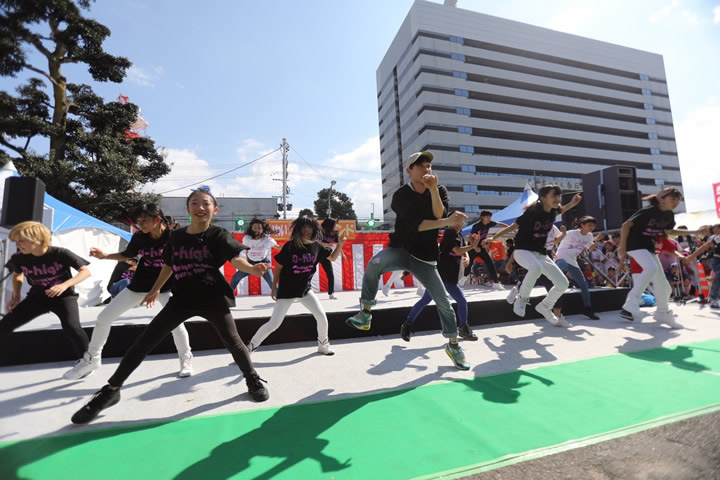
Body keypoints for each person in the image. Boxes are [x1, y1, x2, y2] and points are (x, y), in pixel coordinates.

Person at [71, 186, 270, 424]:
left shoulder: (219, 235)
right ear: (188, 208)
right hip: (182, 299)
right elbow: (168, 265)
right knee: (144, 341)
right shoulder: (177, 237)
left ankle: (252, 379)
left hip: (212, 298)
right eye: (195, 203)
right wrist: (155, 289)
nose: (200, 207)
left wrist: (252, 269)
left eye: (206, 203)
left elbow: (237, 260)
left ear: (214, 210)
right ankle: (111, 391)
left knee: (234, 342)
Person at [345, 151, 471, 370]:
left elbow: (438, 214)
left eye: (429, 166)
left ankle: (453, 345)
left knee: (444, 303)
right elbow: (420, 225)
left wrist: (433, 191)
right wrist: (446, 221)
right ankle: (365, 313)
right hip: (401, 249)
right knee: (374, 264)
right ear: (409, 171)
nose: (426, 170)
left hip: (426, 258)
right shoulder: (401, 195)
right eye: (421, 166)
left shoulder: (439, 189)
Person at [63, 203, 193, 381]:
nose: (140, 224)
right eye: (138, 220)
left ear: (157, 219)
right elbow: (127, 254)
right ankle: (92, 360)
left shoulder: (174, 237)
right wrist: (105, 255)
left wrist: (156, 290)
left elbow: (172, 266)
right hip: (139, 286)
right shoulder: (140, 237)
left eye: (145, 220)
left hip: (167, 287)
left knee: (176, 325)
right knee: (103, 318)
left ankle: (186, 360)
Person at [1, 221, 92, 372]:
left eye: (21, 241)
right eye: (16, 241)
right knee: (6, 323)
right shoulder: (19, 258)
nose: (18, 244)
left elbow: (85, 272)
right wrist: (16, 297)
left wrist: (64, 285)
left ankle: (87, 361)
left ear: (38, 239)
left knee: (72, 326)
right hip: (37, 297)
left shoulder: (60, 253)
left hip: (64, 297)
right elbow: (17, 275)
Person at [248, 216, 346, 354]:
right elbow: (279, 268)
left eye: (309, 227)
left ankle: (323, 345)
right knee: (274, 324)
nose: (306, 230)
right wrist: (274, 288)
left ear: (314, 229)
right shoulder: (290, 246)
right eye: (303, 227)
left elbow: (332, 257)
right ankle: (248, 349)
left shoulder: (317, 246)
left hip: (305, 291)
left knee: (322, 318)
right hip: (287, 292)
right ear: (298, 229)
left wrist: (340, 244)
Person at [490, 185, 581, 326]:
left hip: (541, 254)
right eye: (554, 196)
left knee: (563, 283)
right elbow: (513, 226)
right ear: (543, 199)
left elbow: (561, 209)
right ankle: (522, 298)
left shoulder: (552, 212)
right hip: (522, 251)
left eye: (559, 196)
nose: (558, 199)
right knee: (536, 268)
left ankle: (544, 306)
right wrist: (493, 237)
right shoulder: (531, 213)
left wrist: (572, 203)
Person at [617, 187, 709, 327]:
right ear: (661, 198)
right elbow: (626, 225)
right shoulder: (648, 212)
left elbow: (669, 231)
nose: (676, 202)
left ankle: (662, 313)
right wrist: (622, 247)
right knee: (651, 268)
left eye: (678, 200)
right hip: (633, 244)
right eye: (673, 199)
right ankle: (631, 303)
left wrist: (695, 231)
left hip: (648, 246)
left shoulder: (669, 215)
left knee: (665, 288)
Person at [401, 219, 481, 342]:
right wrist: (474, 245)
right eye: (457, 221)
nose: (460, 224)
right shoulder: (450, 233)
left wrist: (467, 257)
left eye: (462, 222)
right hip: (444, 276)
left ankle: (407, 324)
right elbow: (458, 250)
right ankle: (463, 328)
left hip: (445, 276)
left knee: (425, 300)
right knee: (461, 300)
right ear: (450, 222)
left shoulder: (458, 235)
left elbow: (462, 251)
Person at [554, 216, 602, 320]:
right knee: (562, 269)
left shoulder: (589, 236)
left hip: (572, 261)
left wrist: (596, 241)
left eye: (593, 225)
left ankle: (588, 309)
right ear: (582, 225)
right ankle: (554, 278)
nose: (592, 227)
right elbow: (556, 240)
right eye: (590, 225)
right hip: (561, 258)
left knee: (584, 285)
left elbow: (590, 249)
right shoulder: (571, 233)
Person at [229, 218, 279, 293]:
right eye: (255, 227)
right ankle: (228, 294)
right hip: (250, 263)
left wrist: (291, 246)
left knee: (272, 283)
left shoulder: (267, 240)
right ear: (251, 228)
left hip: (263, 263)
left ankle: (281, 297)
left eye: (259, 228)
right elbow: (246, 250)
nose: (257, 230)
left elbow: (278, 247)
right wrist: (247, 262)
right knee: (236, 277)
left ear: (263, 230)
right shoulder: (246, 238)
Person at [468, 210, 508, 290]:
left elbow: (499, 224)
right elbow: (470, 237)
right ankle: (464, 277)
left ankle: (496, 283)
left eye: (490, 217)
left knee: (490, 264)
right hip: (473, 247)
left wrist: (509, 227)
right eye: (487, 217)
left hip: (482, 247)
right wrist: (475, 247)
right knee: (469, 263)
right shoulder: (477, 226)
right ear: (482, 217)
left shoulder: (490, 223)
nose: (489, 218)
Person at [683, 224, 720, 308]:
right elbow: (705, 246)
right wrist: (691, 256)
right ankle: (713, 298)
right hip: (714, 259)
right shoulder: (718, 238)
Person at [319, 217, 341, 300]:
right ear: (330, 225)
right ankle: (301, 293)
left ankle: (331, 293)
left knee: (330, 274)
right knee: (308, 273)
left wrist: (343, 254)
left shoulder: (335, 234)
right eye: (335, 224)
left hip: (326, 255)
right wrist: (325, 244)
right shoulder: (320, 232)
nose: (336, 226)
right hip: (317, 253)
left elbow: (339, 245)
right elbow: (315, 242)